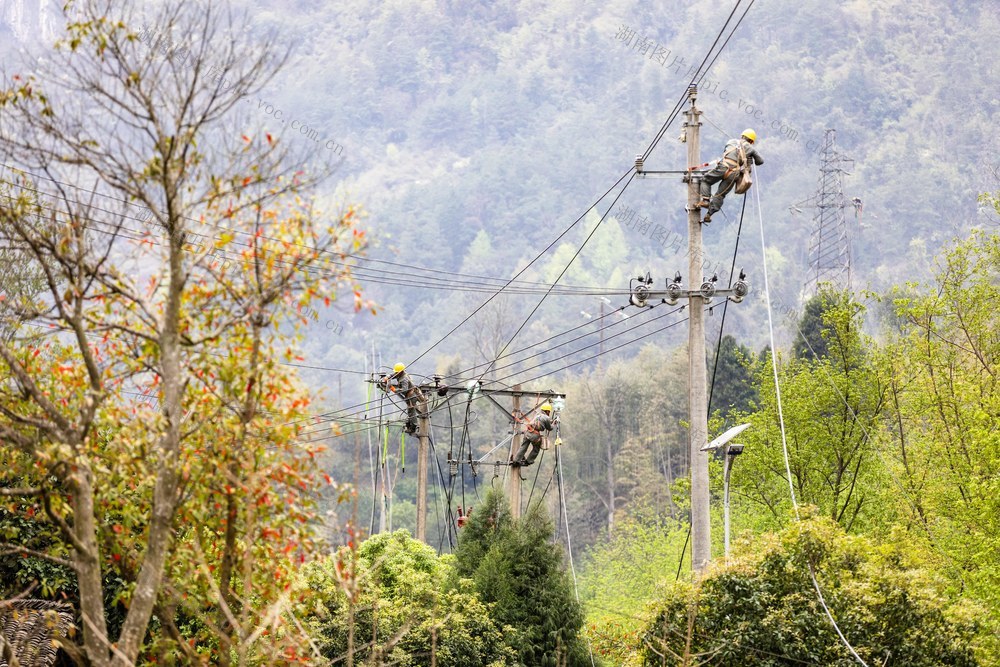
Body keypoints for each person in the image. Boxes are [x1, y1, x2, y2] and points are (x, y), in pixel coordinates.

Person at [699, 128, 764, 223]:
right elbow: (760, 162)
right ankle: (709, 215)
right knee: (720, 195)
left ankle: (705, 200)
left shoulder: (731, 141)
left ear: (742, 136)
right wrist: (750, 156)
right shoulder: (751, 148)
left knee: (705, 180)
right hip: (734, 174)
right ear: (751, 141)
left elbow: (726, 153)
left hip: (723, 167)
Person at [379, 363, 424, 434]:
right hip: (410, 395)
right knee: (410, 411)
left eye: (397, 372)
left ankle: (413, 427)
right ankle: (411, 423)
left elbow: (404, 390)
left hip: (412, 396)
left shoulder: (404, 379)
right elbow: (393, 375)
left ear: (400, 372)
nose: (395, 373)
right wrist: (387, 377)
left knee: (411, 411)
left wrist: (394, 389)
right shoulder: (400, 374)